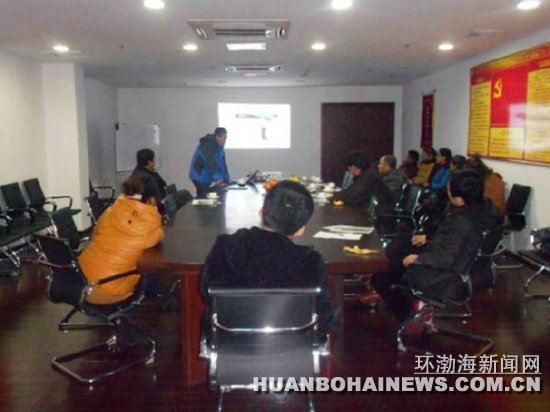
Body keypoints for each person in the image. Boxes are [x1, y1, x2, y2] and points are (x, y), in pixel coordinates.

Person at [370, 170, 503, 338]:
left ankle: (413, 317)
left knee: (382, 277)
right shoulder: (485, 211)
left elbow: (447, 257)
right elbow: (459, 244)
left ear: (460, 199)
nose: (447, 192)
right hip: (472, 270)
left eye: (449, 190)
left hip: (449, 275)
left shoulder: (463, 221)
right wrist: (428, 239)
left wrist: (418, 258)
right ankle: (419, 309)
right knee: (401, 248)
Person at [200, 180, 335, 341]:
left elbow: (206, 293)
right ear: (301, 230)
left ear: (261, 212)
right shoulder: (311, 262)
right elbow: (324, 314)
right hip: (294, 348)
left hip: (227, 345)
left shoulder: (225, 247)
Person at [78, 177, 177, 309]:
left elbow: (95, 234)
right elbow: (160, 236)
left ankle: (168, 299)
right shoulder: (149, 227)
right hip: (109, 289)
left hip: (82, 279)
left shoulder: (109, 212)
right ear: (152, 200)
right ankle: (171, 302)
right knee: (150, 270)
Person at [333, 150, 394, 215]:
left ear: (354, 166)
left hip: (380, 215)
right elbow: (351, 190)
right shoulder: (367, 174)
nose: (350, 171)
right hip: (374, 212)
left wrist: (334, 196)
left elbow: (354, 196)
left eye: (349, 168)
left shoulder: (369, 177)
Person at [189, 127, 230, 198]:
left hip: (207, 176)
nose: (225, 140)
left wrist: (226, 179)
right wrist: (218, 179)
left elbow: (222, 165)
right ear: (217, 137)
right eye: (224, 138)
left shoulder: (220, 147)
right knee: (204, 198)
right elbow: (211, 163)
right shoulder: (207, 145)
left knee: (210, 197)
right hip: (199, 176)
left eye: (226, 138)